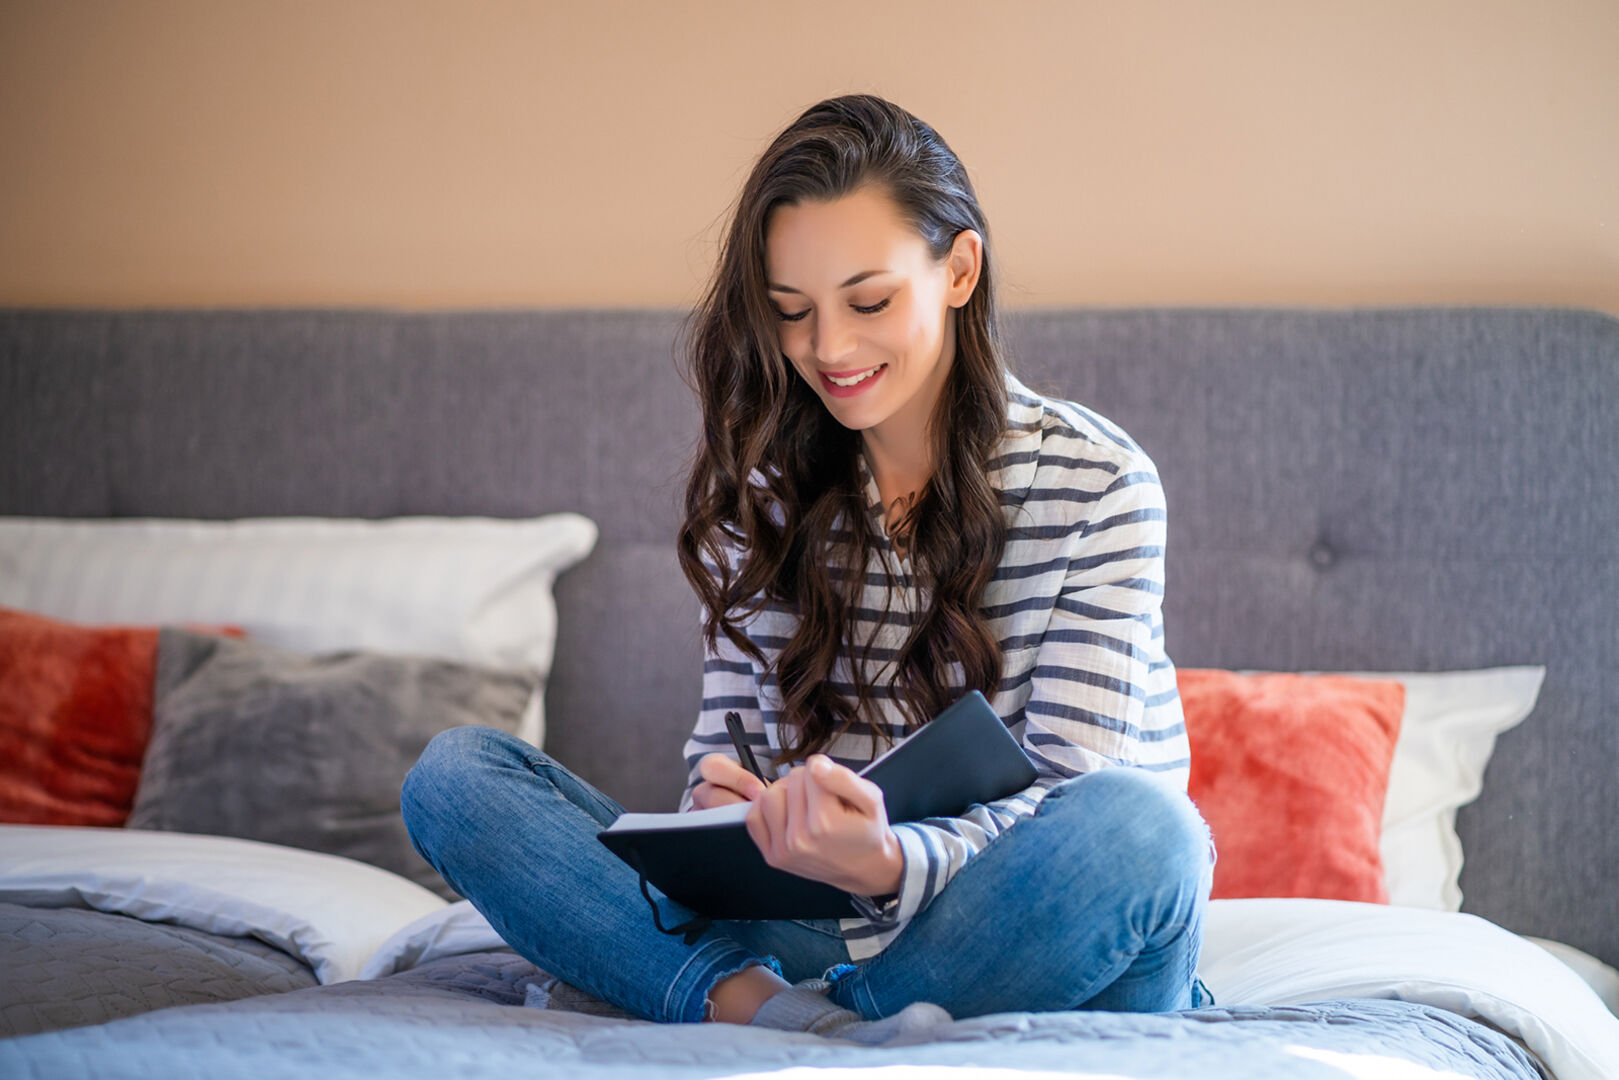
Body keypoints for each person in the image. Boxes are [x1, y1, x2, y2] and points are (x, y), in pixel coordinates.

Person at [401, 92, 1216, 1045]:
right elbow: (726, 760)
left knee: (1145, 830)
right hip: (809, 939)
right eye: (792, 313)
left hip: (1032, 939)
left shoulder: (1098, 484)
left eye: (868, 302)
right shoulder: (772, 492)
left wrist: (882, 861)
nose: (828, 350)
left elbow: (1073, 796)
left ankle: (770, 1014)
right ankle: (818, 1025)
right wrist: (720, 816)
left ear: (958, 270)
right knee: (455, 778)